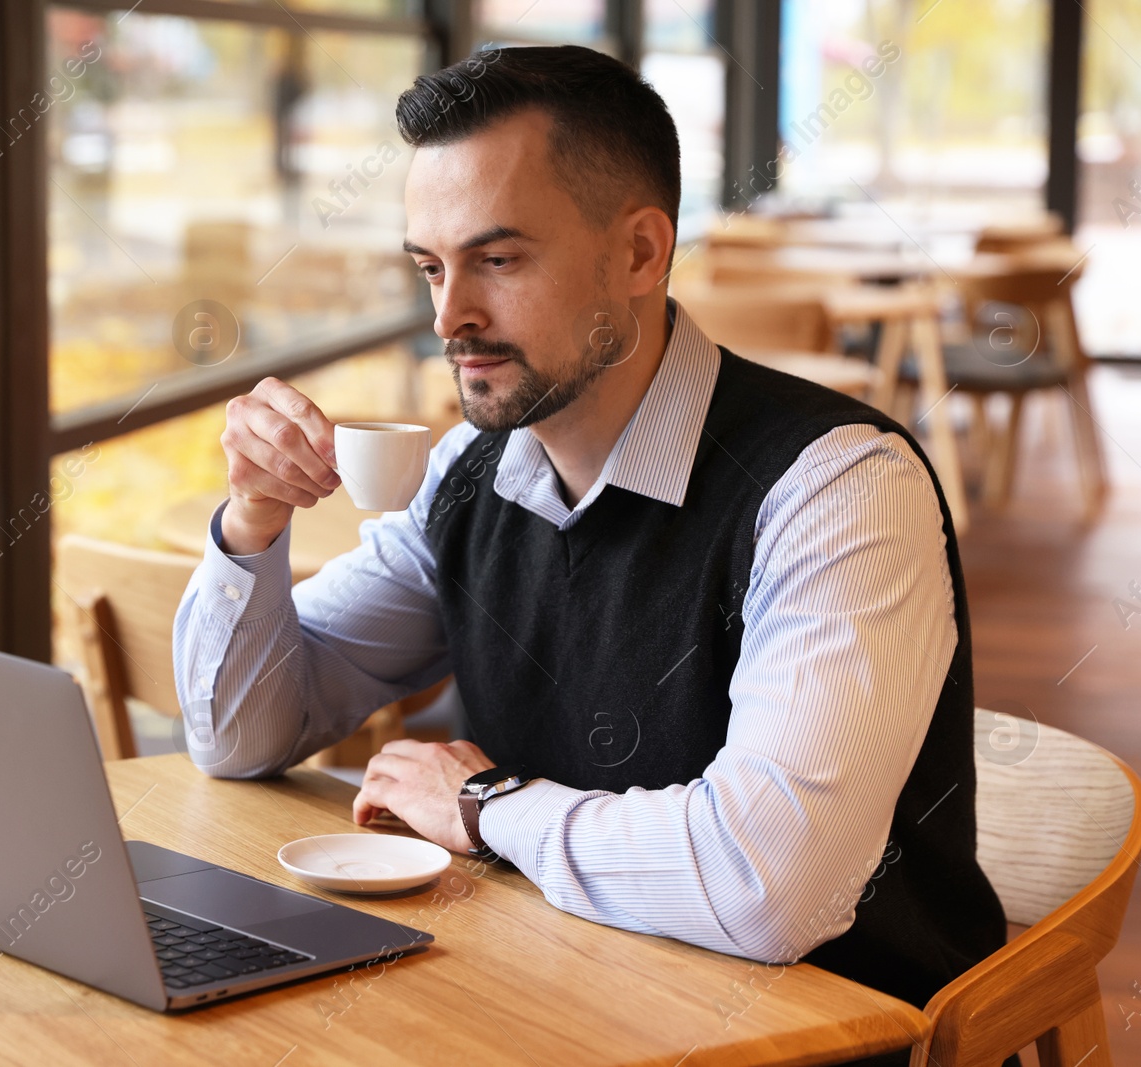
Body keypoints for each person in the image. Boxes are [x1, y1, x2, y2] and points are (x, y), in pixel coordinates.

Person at [172, 44, 1007, 1057]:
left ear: (642, 254)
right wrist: (252, 523)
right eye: (432, 267)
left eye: (499, 259)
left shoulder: (835, 487)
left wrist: (484, 806)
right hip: (554, 999)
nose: (450, 317)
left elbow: (770, 886)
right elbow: (242, 733)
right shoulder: (470, 473)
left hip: (822, 1036)